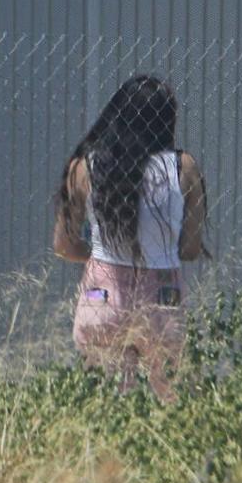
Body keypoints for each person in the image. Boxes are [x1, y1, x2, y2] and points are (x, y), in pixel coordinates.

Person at [53, 76, 207, 399]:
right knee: (170, 397)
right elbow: (191, 249)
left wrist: (100, 251)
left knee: (101, 398)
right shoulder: (183, 167)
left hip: (101, 294)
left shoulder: (85, 167)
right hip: (162, 296)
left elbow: (64, 245)